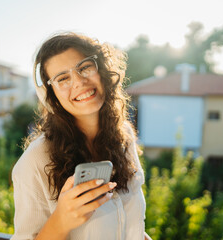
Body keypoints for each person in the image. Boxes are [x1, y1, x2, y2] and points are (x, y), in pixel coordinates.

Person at [11, 32, 152, 240]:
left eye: (85, 67)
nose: (79, 82)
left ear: (102, 69)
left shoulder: (125, 136)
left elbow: (131, 226)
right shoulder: (34, 162)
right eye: (63, 78)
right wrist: (60, 221)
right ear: (53, 96)